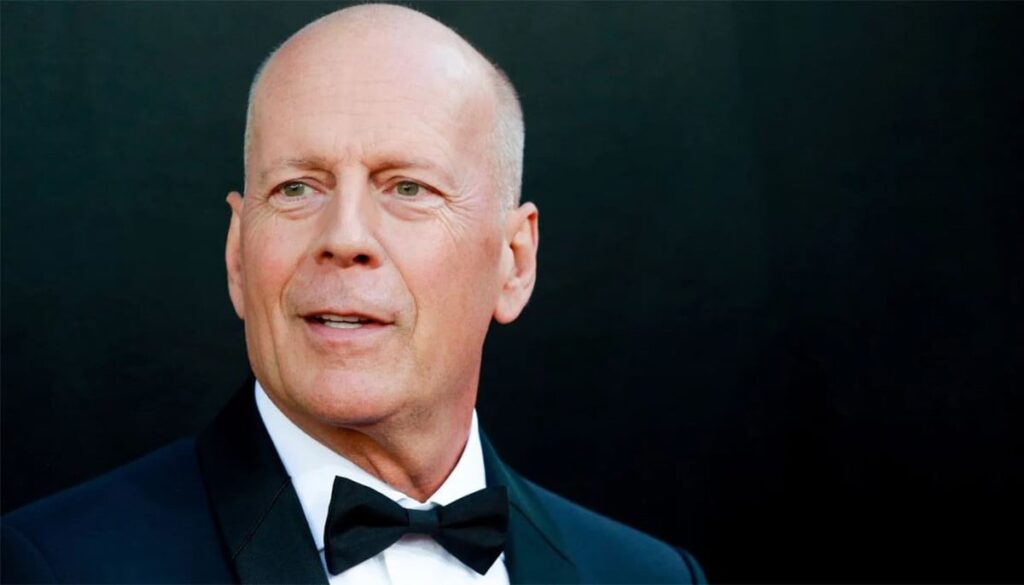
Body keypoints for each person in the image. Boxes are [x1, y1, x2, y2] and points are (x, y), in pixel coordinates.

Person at [1, 5, 705, 584]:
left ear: (514, 262)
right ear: (238, 256)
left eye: (408, 188)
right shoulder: (54, 567)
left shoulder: (650, 576)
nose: (343, 237)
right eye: (296, 188)